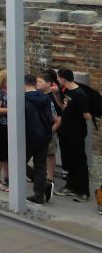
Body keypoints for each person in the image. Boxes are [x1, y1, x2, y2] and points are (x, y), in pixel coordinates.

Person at [54, 68, 91, 201]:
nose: (57, 80)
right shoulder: (67, 91)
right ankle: (71, 186)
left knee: (79, 161)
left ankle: (83, 191)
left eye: (58, 78)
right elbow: (62, 107)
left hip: (76, 133)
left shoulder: (79, 94)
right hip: (65, 131)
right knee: (68, 160)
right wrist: (56, 95)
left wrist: (74, 110)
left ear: (63, 79)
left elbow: (86, 116)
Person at [24, 73, 56, 204]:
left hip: (29, 136)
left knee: (17, 162)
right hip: (44, 136)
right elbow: (52, 118)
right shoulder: (45, 98)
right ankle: (39, 195)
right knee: (41, 166)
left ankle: (42, 187)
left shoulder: (23, 98)